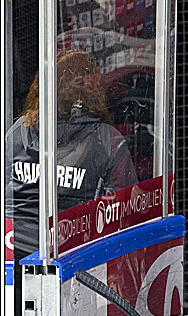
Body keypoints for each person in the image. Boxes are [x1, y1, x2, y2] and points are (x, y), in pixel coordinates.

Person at [5, 49, 137, 261]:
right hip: (69, 258)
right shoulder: (106, 139)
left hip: (12, 253)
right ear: (89, 88)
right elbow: (127, 210)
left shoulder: (19, 129)